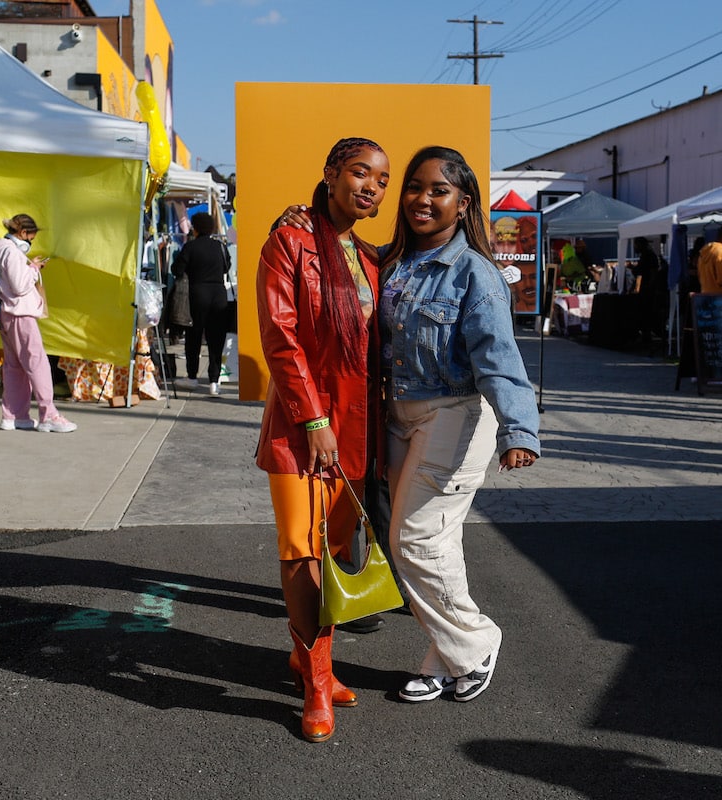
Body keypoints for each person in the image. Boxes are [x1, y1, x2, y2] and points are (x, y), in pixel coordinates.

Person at [379, 146, 540, 705]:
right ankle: (444, 657)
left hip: (454, 413)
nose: (422, 198)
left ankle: (473, 643)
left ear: (462, 202)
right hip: (399, 416)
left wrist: (520, 429)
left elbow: (498, 356)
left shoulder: (475, 273)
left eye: (438, 190)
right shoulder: (392, 261)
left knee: (415, 540)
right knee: (431, 542)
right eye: (414, 186)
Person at [254, 137, 390, 742]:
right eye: (361, 173)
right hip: (299, 426)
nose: (372, 187)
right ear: (331, 173)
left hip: (356, 430)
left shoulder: (371, 256)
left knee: (334, 551)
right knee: (299, 552)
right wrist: (313, 420)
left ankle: (312, 659)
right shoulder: (290, 240)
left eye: (382, 181)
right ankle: (314, 685)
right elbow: (279, 337)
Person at [0, 214, 76, 433]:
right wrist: (33, 270)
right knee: (37, 362)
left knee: (14, 366)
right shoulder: (12, 253)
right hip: (20, 313)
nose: (30, 242)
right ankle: (49, 415)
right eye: (31, 238)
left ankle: (14, 416)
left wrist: (30, 267)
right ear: (23, 233)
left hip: (6, 313)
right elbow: (18, 286)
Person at [172, 212, 230, 396]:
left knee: (194, 336)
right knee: (216, 338)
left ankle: (192, 376)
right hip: (219, 294)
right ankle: (214, 381)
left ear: (195, 227)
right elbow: (227, 267)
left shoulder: (190, 247)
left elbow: (177, 270)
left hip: (197, 294)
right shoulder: (220, 247)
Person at [632, 237, 663, 342]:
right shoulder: (646, 255)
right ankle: (646, 334)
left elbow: (652, 271)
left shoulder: (648, 255)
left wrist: (651, 287)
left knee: (648, 313)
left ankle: (648, 335)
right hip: (647, 288)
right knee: (645, 313)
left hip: (649, 289)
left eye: (636, 245)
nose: (634, 247)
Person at [697, 225, 722, 293]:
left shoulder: (703, 252)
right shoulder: (720, 252)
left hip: (705, 293)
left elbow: (699, 275)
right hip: (720, 296)